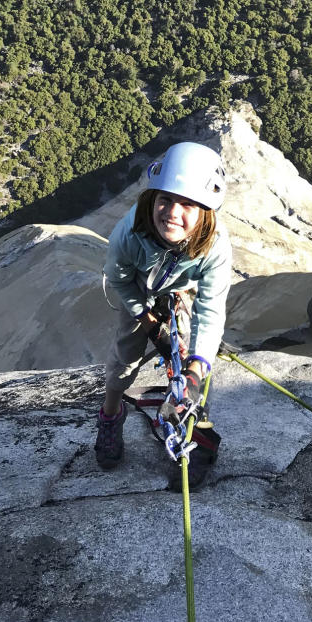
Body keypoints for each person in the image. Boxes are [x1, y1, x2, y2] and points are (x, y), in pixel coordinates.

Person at [95, 141, 232, 486]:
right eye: (166, 199)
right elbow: (120, 281)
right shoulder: (129, 232)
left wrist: (198, 366)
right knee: (125, 357)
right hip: (139, 290)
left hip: (182, 289)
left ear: (205, 213)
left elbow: (211, 308)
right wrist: (145, 317)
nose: (173, 211)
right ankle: (111, 416)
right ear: (152, 199)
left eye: (187, 203)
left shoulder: (215, 247)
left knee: (191, 364)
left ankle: (194, 427)